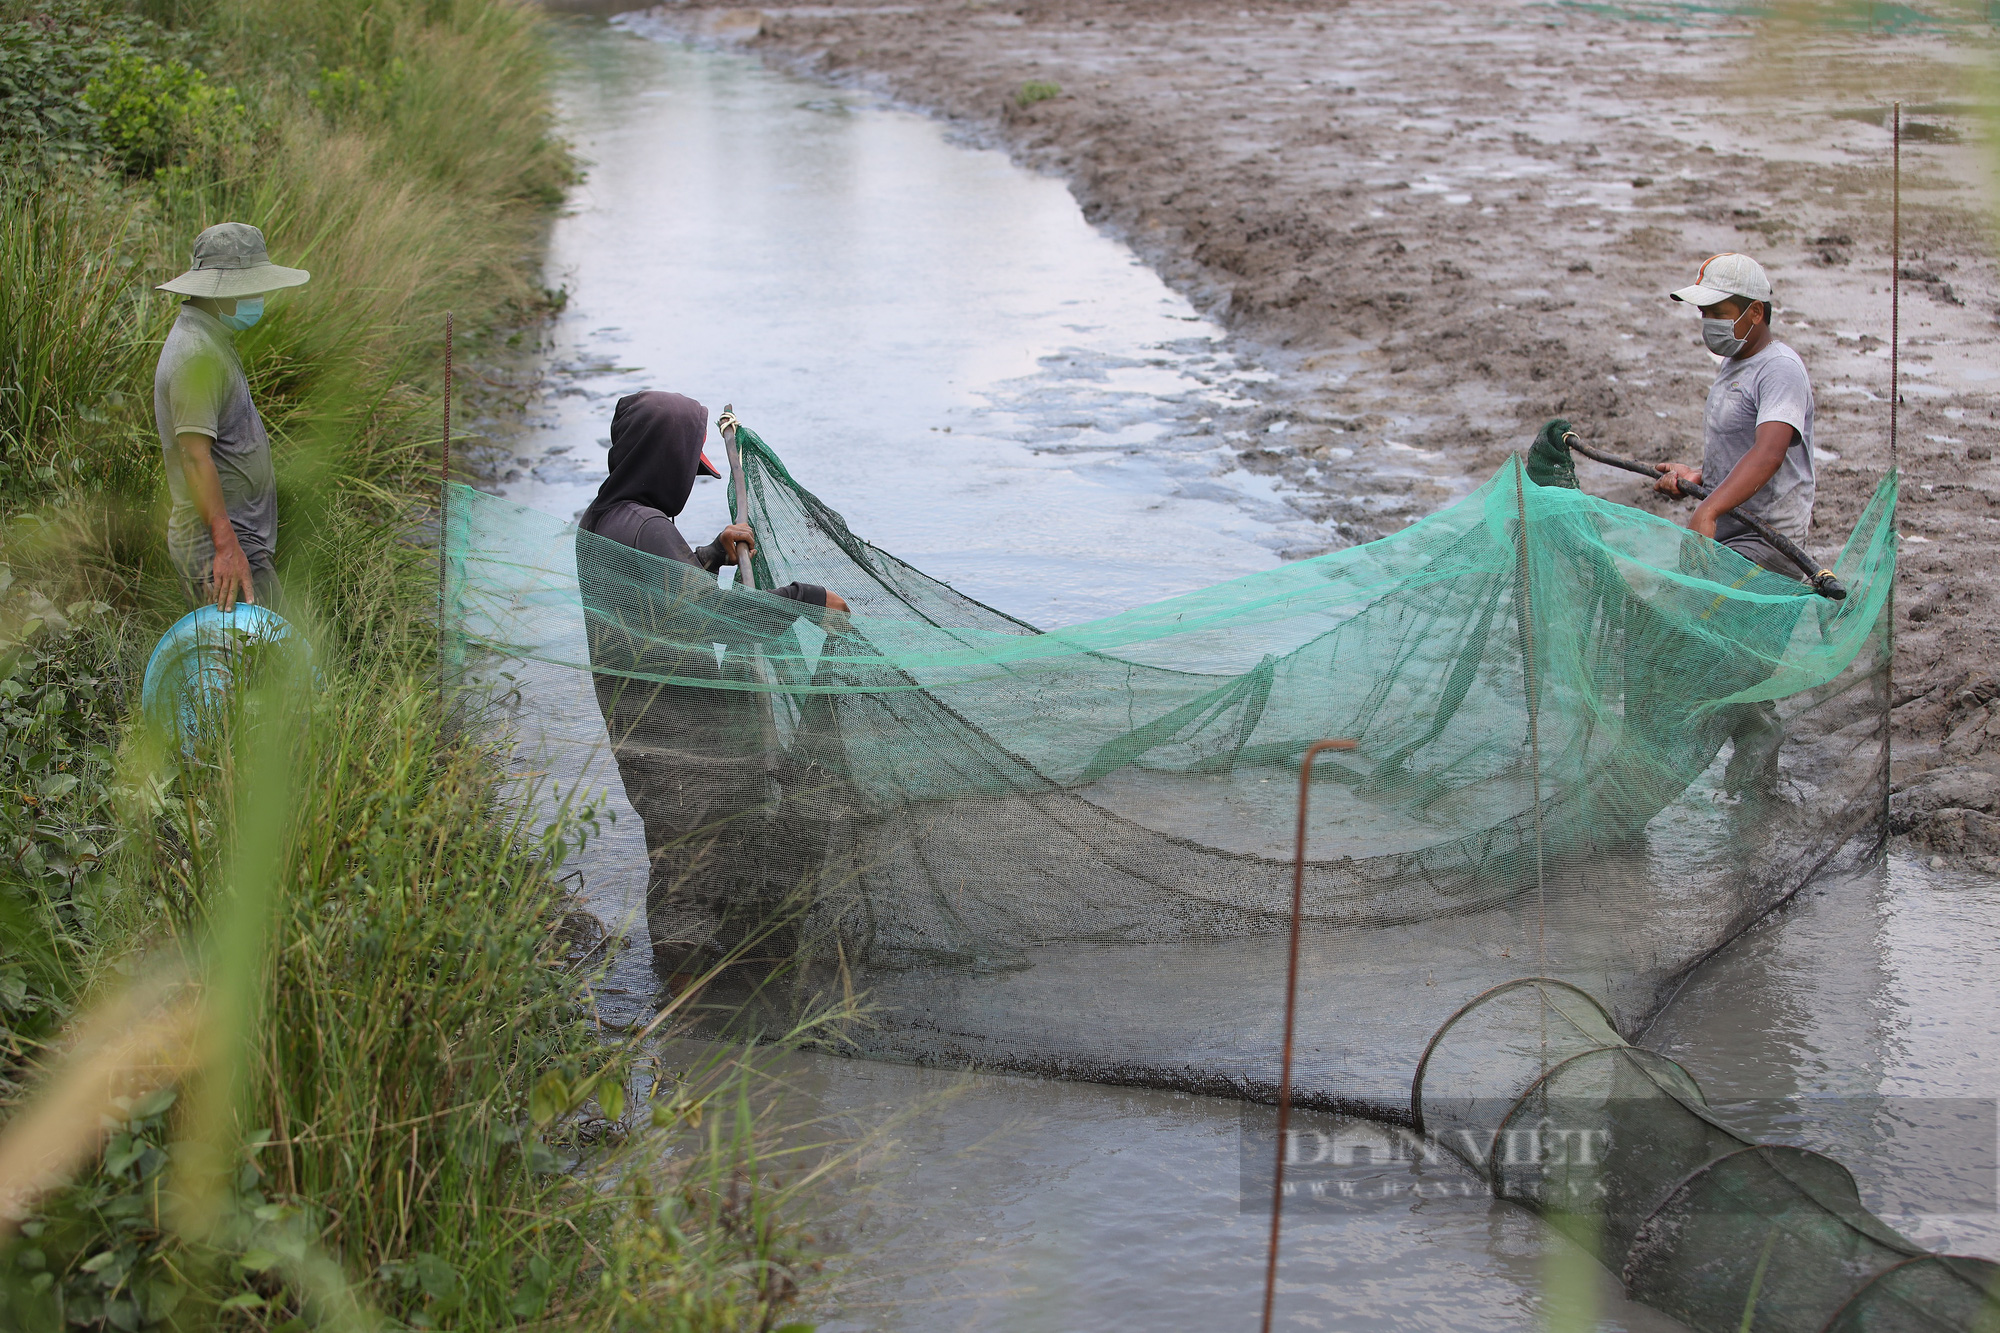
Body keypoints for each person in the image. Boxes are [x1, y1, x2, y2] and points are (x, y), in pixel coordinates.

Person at [574, 391, 849, 986]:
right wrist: (803, 600)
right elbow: (709, 619)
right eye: (687, 469)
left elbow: (654, 601)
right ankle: (689, 1010)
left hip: (642, 729)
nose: (688, 482)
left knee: (680, 856)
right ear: (665, 462)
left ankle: (683, 1015)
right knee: (696, 872)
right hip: (682, 737)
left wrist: (709, 556)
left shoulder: (603, 519)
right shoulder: (646, 527)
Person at [154, 222, 309, 612]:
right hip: (220, 547)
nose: (258, 298)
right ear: (220, 292)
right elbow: (194, 456)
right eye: (250, 288)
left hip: (238, 540)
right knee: (256, 662)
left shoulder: (210, 335)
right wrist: (226, 547)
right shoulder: (195, 356)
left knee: (251, 660)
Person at [1651, 252, 1816, 581]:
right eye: (1704, 313)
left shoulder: (1779, 368)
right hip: (1727, 531)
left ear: (1755, 312)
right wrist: (1700, 477)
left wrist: (1708, 508)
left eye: (1718, 313)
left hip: (1766, 539)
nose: (1708, 322)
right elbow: (1740, 447)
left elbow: (1768, 453)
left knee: (1698, 619)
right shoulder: (1736, 362)